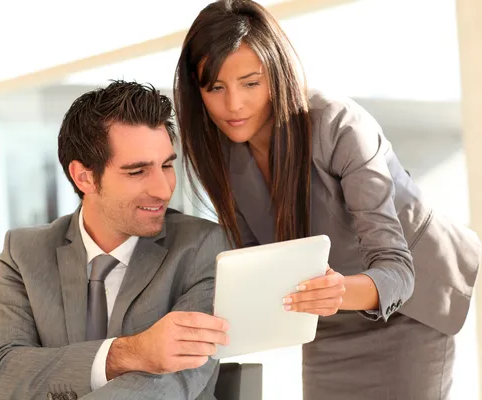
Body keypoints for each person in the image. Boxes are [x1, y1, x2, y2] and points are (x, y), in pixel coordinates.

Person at [174, 1, 481, 399]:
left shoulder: (340, 126)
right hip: (328, 314)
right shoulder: (218, 150)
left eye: (251, 83)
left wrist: (335, 291)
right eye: (215, 87)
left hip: (410, 304)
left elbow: (396, 269)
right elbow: (256, 258)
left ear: (278, 74)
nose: (233, 105)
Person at [0, 81, 230, 400]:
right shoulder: (24, 252)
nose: (164, 189)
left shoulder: (203, 246)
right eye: (137, 171)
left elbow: (172, 381)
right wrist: (127, 353)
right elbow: (1, 374)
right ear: (84, 177)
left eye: (167, 165)